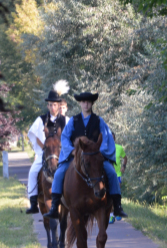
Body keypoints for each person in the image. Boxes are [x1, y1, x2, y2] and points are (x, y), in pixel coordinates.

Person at [44, 91, 128, 219]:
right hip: (76, 156)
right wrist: (71, 150)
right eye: (83, 102)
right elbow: (65, 137)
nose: (86, 104)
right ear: (80, 104)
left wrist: (101, 151)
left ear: (92, 103)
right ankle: (55, 206)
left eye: (88, 102)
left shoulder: (99, 121)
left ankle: (117, 206)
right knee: (60, 173)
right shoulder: (73, 120)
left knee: (111, 172)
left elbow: (107, 138)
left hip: (95, 157)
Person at [25, 81, 69, 214]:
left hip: (62, 155)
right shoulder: (41, 119)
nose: (52, 107)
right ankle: (33, 203)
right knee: (33, 172)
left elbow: (69, 137)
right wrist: (44, 148)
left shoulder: (66, 120)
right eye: (50, 105)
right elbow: (34, 134)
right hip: (46, 154)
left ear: (58, 105)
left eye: (54, 105)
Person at [109, 132, 127, 223]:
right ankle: (111, 215)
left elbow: (125, 157)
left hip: (117, 174)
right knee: (110, 194)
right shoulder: (104, 148)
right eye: (110, 138)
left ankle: (118, 209)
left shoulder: (119, 148)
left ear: (114, 139)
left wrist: (123, 166)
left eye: (113, 138)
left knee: (117, 191)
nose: (111, 140)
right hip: (108, 174)